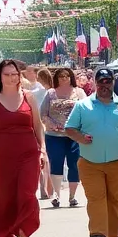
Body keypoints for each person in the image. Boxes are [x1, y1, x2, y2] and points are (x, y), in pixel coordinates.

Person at [65, 68, 118, 237]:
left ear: (113, 83)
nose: (104, 86)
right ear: (95, 83)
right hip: (90, 161)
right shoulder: (83, 106)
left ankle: (113, 235)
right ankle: (98, 235)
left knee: (116, 199)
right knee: (96, 198)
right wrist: (81, 138)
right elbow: (70, 128)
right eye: (101, 82)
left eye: (108, 82)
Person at [0, 60, 48, 237]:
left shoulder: (29, 97)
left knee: (27, 194)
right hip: (1, 155)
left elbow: (37, 125)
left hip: (28, 152)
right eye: (7, 74)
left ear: (19, 76)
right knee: (5, 197)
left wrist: (43, 150)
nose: (11, 78)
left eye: (14, 74)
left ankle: (22, 235)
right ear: (0, 77)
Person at [40, 67, 84, 209]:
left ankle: (72, 196)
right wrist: (52, 124)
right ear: (56, 79)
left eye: (67, 76)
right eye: (61, 77)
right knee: (56, 163)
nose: (64, 79)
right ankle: (57, 195)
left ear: (71, 78)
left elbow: (86, 111)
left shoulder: (79, 92)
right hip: (54, 135)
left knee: (74, 165)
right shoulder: (50, 93)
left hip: (74, 135)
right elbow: (43, 113)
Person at [26, 65, 52, 200]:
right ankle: (46, 188)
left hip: (38, 125)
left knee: (41, 157)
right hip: (45, 125)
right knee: (45, 157)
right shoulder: (50, 91)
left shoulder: (37, 91)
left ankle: (44, 188)